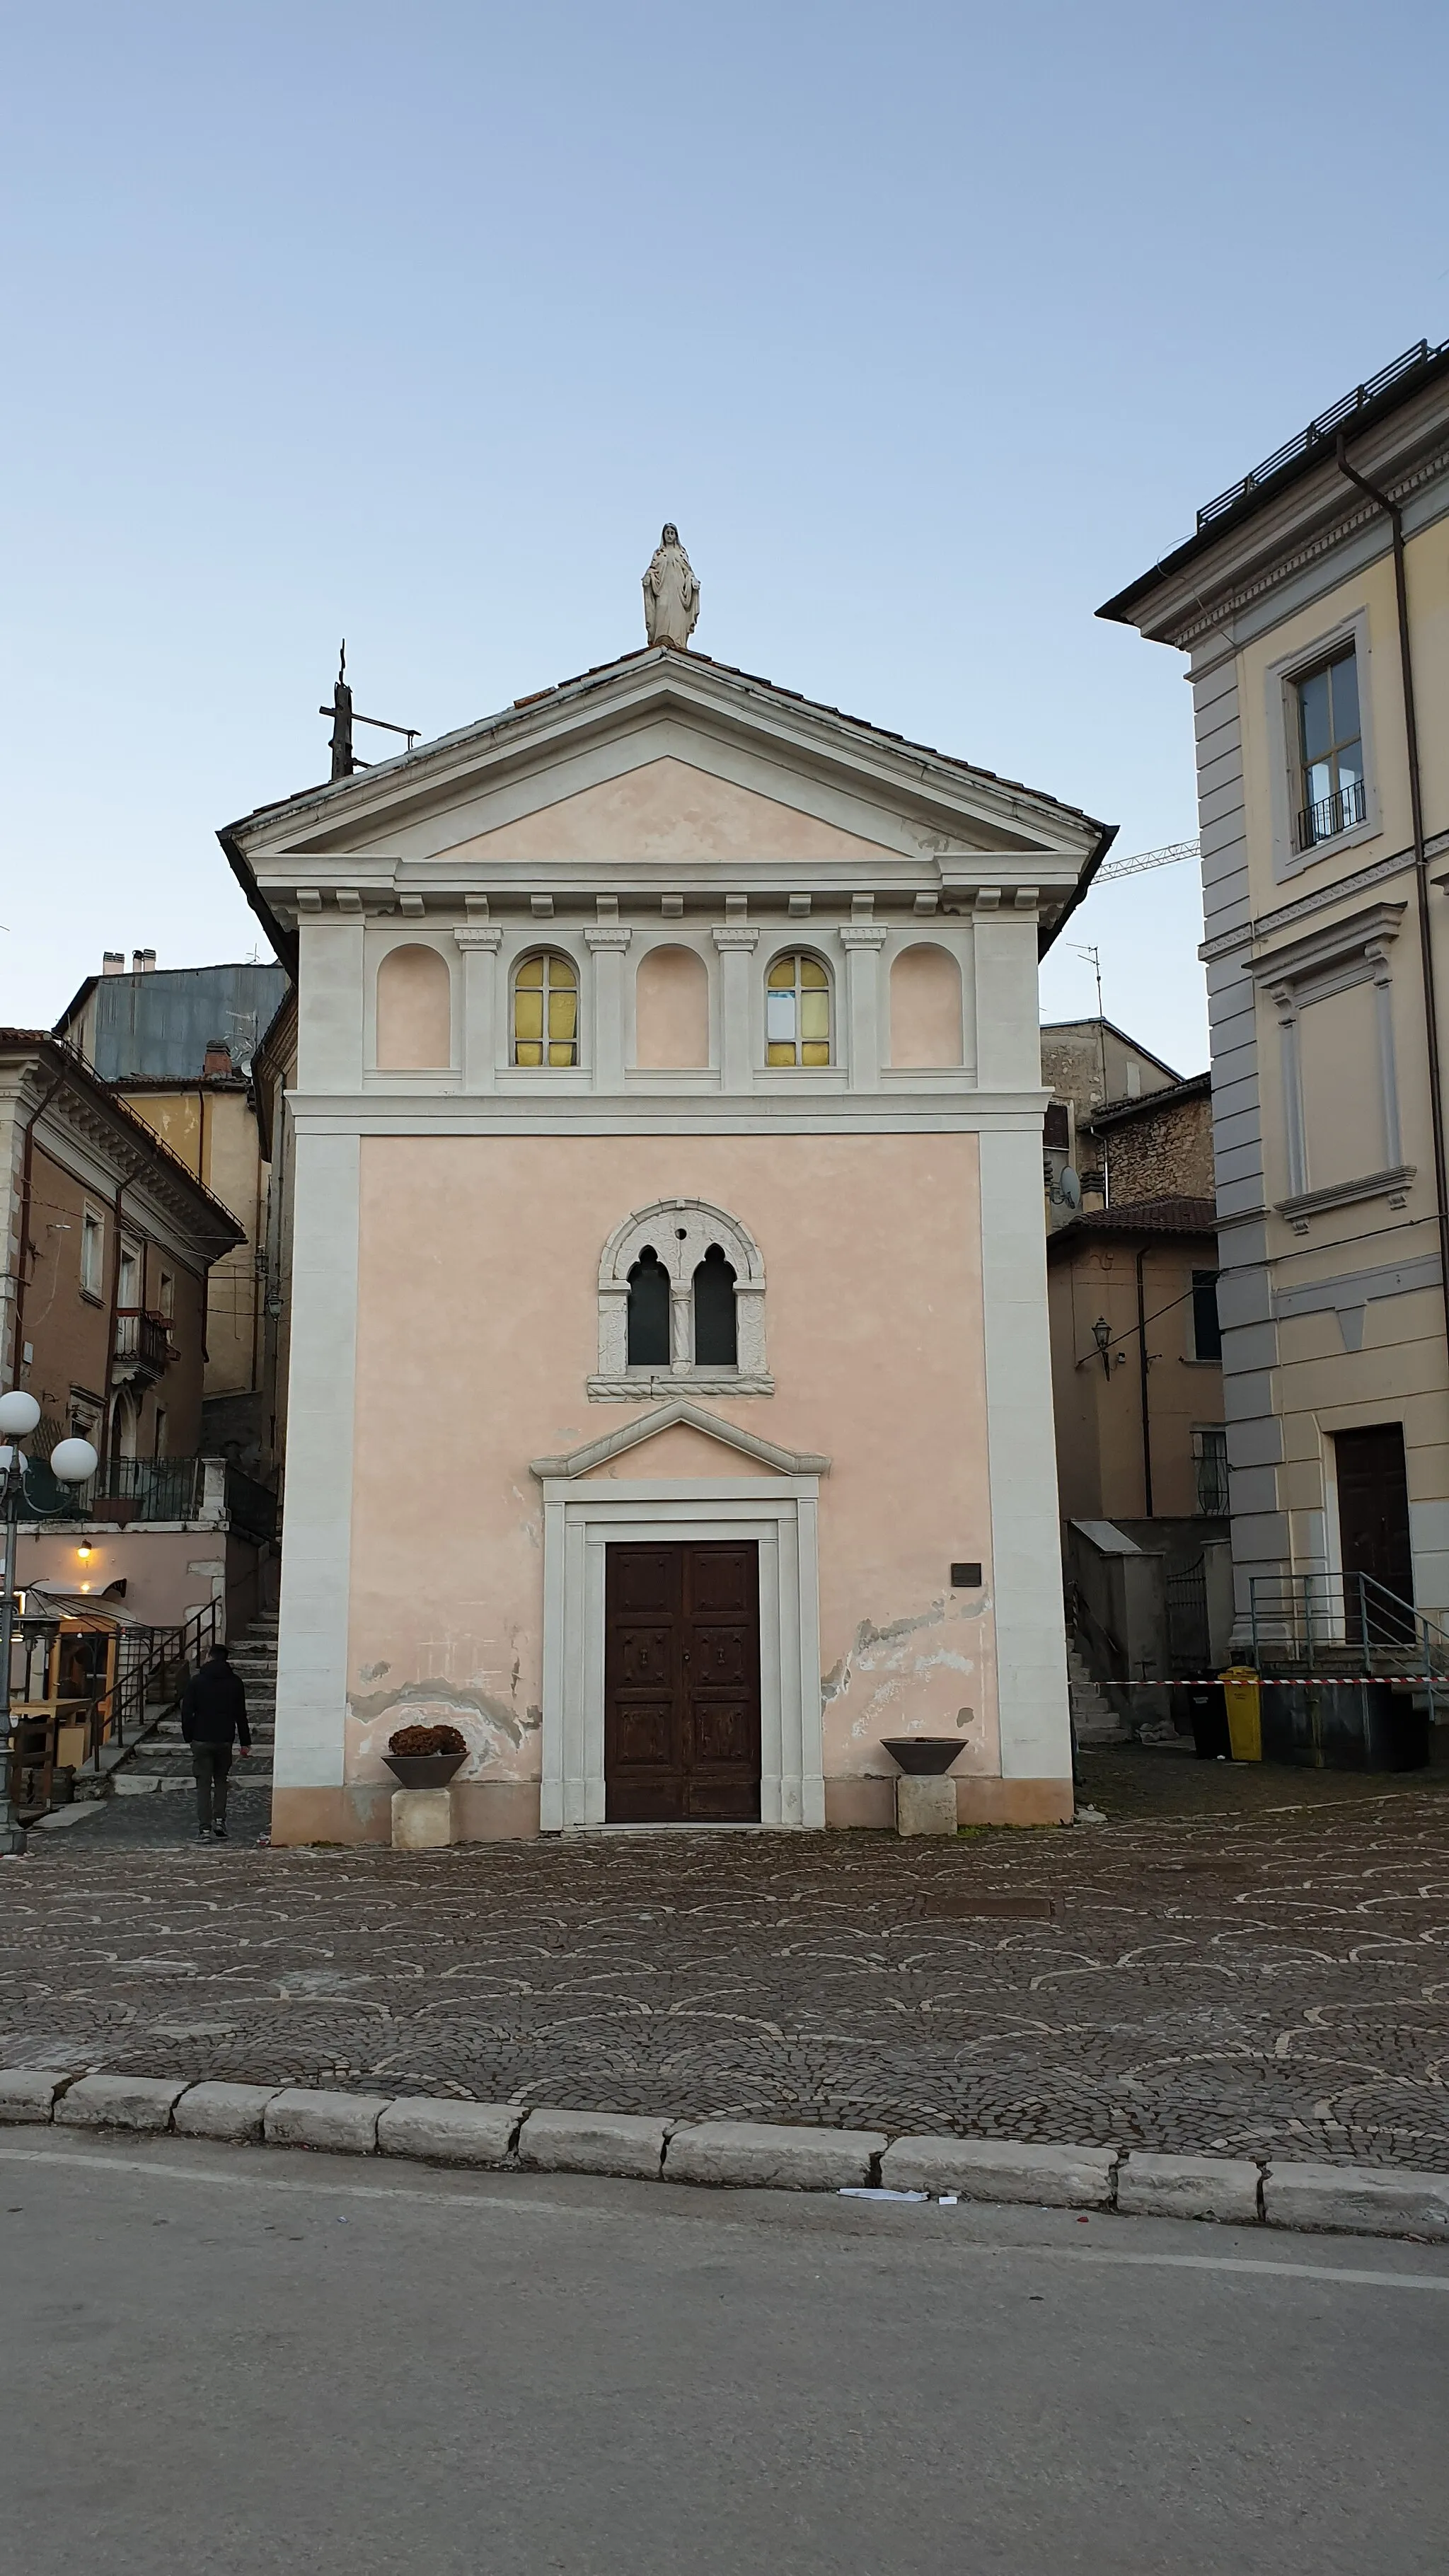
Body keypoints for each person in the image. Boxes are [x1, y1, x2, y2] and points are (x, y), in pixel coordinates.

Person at [180, 1642, 250, 1842]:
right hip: (225, 1738)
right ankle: (220, 1821)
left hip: (201, 1738)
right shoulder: (235, 1682)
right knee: (221, 1781)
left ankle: (204, 1829)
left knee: (203, 1784)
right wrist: (245, 1741)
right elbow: (241, 1714)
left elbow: (187, 1712)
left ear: (210, 1657)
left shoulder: (197, 1681)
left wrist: (189, 1736)